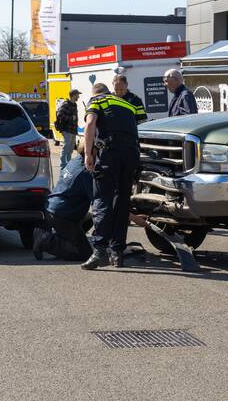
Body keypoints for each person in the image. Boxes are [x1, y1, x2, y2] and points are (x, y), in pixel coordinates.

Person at [81, 82, 145, 270]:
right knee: (122, 202)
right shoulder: (126, 103)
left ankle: (99, 250)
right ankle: (117, 253)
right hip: (131, 155)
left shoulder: (97, 101)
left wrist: (87, 154)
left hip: (111, 154)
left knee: (103, 200)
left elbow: (90, 124)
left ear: (95, 94)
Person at [33, 137, 95, 261]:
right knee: (86, 255)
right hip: (62, 215)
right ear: (91, 151)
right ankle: (46, 240)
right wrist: (128, 215)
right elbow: (98, 202)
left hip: (55, 208)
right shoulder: (86, 172)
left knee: (89, 219)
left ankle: (65, 238)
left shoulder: (76, 160)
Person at [54, 89, 81, 170]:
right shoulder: (66, 104)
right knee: (66, 147)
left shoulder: (74, 104)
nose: (78, 97)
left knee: (71, 149)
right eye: (77, 95)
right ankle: (62, 166)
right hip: (66, 129)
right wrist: (70, 118)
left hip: (73, 129)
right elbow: (59, 115)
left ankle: (68, 166)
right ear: (73, 95)